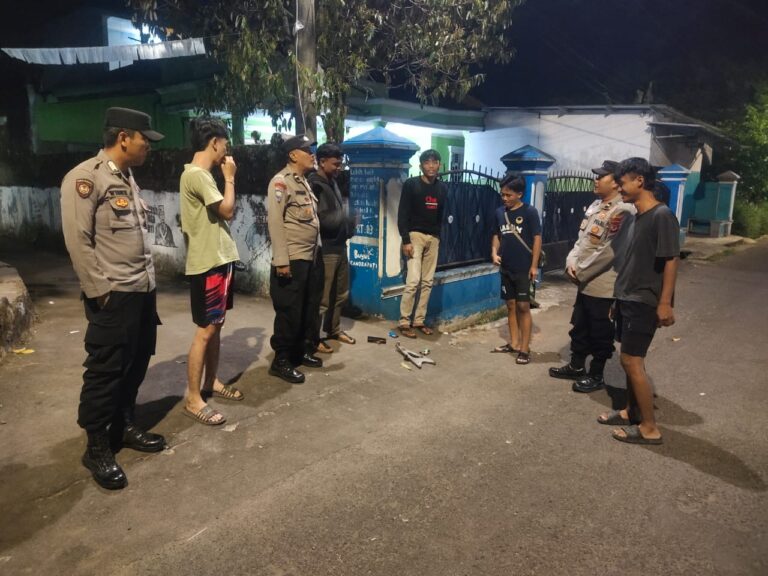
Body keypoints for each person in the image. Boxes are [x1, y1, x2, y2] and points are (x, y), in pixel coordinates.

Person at [60, 107, 165, 490]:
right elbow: (78, 240)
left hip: (142, 291)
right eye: (144, 139)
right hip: (113, 295)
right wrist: (99, 292)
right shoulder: (85, 178)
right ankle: (97, 446)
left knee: (136, 363)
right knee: (105, 372)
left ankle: (123, 426)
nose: (147, 146)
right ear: (124, 138)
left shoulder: (127, 178)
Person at [597, 157, 679, 445]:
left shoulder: (661, 215)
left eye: (622, 183)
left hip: (644, 300)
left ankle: (649, 428)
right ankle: (631, 410)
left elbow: (671, 260)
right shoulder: (637, 217)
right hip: (627, 297)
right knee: (629, 359)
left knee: (632, 361)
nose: (619, 188)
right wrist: (617, 298)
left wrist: (665, 303)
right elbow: (631, 263)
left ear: (640, 181)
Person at [548, 160, 635, 392]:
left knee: (600, 331)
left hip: (603, 283)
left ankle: (596, 374)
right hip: (584, 281)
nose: (595, 180)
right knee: (580, 325)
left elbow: (610, 251)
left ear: (615, 183)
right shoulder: (596, 205)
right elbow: (582, 241)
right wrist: (570, 262)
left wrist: (581, 271)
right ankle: (576, 366)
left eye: (601, 176)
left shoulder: (623, 211)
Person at [179, 117, 243, 426]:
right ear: (214, 142)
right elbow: (227, 210)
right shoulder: (197, 175)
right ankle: (193, 398)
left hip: (218, 259)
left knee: (216, 325)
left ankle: (211, 381)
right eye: (225, 145)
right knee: (205, 329)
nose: (226, 152)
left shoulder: (200, 175)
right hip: (208, 263)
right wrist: (229, 178)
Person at [266, 134, 324, 384]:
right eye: (307, 150)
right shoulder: (281, 182)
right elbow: (275, 222)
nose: (312, 154)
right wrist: (281, 260)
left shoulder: (304, 182)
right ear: (292, 155)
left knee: (308, 309)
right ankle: (280, 361)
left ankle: (299, 352)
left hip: (310, 257)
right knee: (289, 311)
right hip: (292, 258)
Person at [308, 143, 356, 353]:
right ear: (322, 162)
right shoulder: (315, 185)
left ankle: (333, 329)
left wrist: (349, 224)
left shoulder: (332, 182)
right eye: (335, 164)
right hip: (326, 249)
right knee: (323, 298)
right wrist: (345, 217)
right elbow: (322, 219)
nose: (339, 168)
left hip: (339, 246)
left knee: (341, 293)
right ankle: (313, 338)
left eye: (340, 163)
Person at [490, 175, 542, 365]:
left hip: (523, 268)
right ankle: (514, 343)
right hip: (506, 267)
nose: (504, 198)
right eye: (502, 194)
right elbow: (497, 234)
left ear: (519, 194)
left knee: (523, 307)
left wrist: (534, 266)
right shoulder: (499, 212)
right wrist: (494, 252)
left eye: (508, 195)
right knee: (510, 305)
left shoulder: (529, 212)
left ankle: (524, 348)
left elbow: (537, 238)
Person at [396, 149, 447, 338]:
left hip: (433, 238)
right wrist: (406, 240)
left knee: (427, 282)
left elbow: (441, 215)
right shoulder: (412, 185)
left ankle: (419, 321)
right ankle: (404, 321)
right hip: (415, 236)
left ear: (439, 165)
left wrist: (438, 236)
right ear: (421, 166)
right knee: (413, 280)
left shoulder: (442, 188)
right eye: (427, 162)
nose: (431, 166)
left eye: (434, 162)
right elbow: (402, 214)